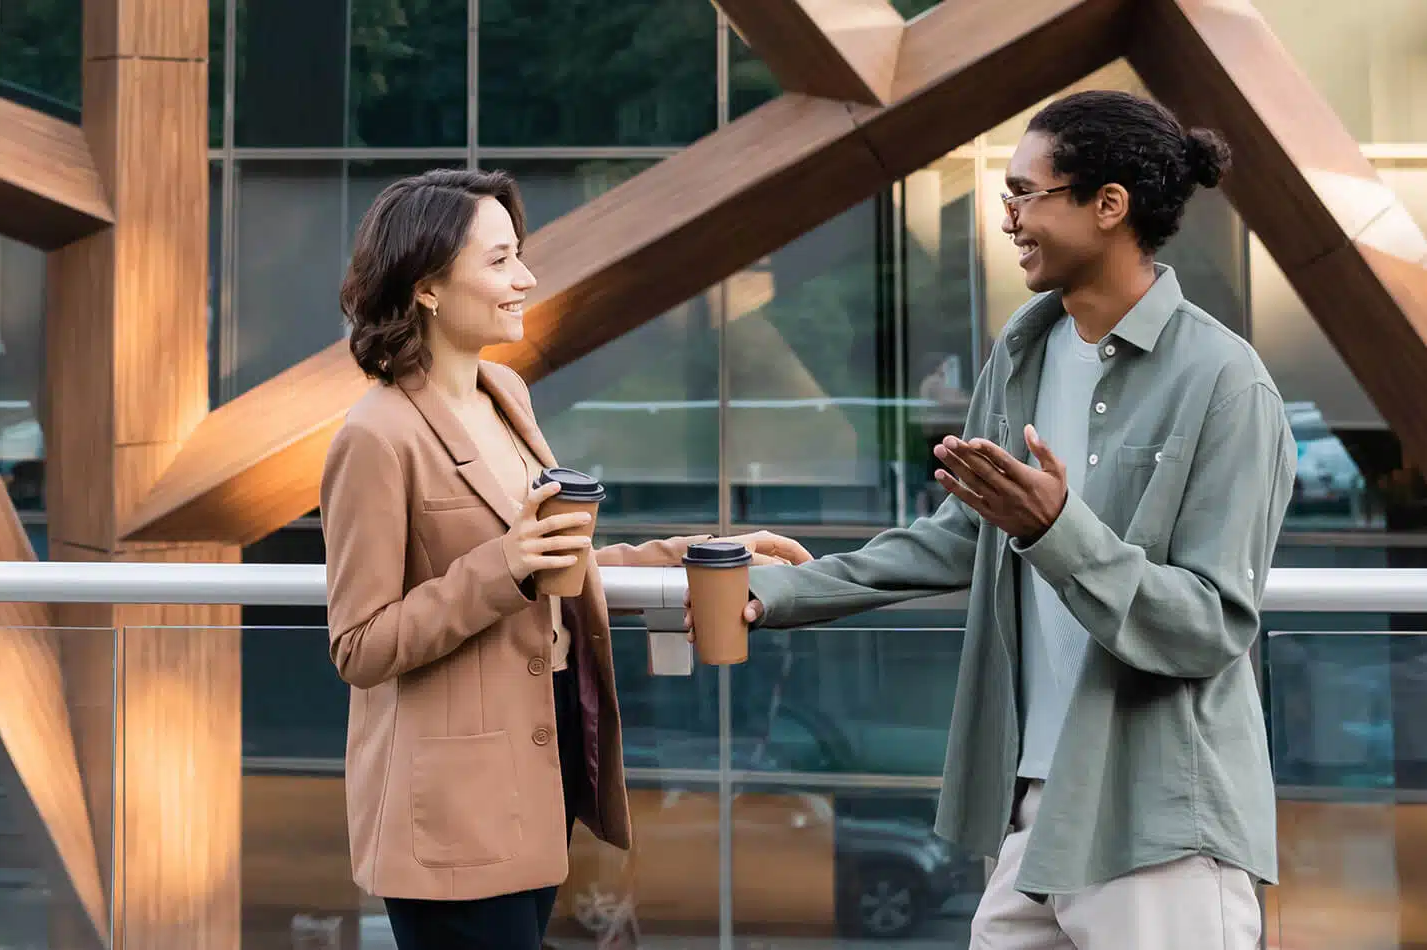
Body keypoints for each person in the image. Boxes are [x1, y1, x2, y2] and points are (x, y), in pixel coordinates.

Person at [724, 91, 1291, 949]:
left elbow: (1210, 625)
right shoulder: (1021, 353)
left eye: (1027, 194)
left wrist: (1057, 528)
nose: (1009, 218)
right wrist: (779, 593)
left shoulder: (1225, 383)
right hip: (1035, 805)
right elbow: (962, 537)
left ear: (1109, 205)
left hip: (1161, 821)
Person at [320, 169, 808, 950]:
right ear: (428, 288)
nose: (526, 278)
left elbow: (557, 565)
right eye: (500, 260)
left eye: (521, 256)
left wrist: (695, 555)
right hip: (448, 813)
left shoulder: (504, 393)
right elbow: (360, 645)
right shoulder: (376, 437)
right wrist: (500, 570)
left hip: (537, 785)